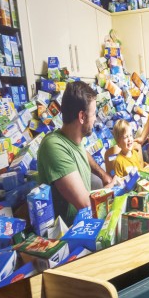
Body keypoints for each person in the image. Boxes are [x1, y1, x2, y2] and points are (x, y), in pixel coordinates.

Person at [36, 80, 115, 227]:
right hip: (70, 234)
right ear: (82, 117)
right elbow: (85, 204)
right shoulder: (53, 146)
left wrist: (103, 175)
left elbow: (81, 152)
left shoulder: (73, 139)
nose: (95, 119)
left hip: (85, 222)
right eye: (93, 114)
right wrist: (114, 188)